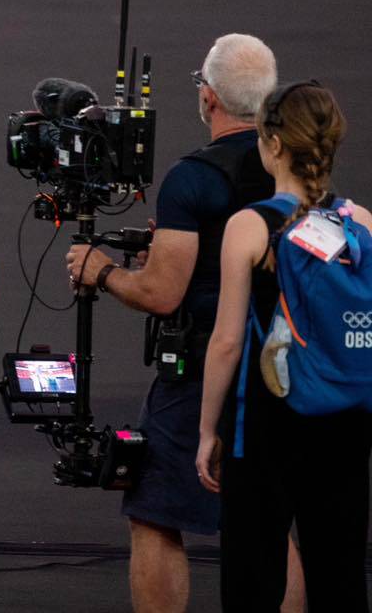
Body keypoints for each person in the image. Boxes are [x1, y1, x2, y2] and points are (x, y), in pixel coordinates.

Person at [66, 34, 306, 613]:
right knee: (274, 523)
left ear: (210, 98)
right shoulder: (296, 171)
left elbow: (161, 292)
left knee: (152, 512)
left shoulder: (194, 178)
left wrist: (101, 272)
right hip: (289, 370)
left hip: (204, 371)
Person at [197, 81, 372, 612]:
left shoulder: (250, 227)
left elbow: (228, 341)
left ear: (271, 145)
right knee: (340, 574)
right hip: (346, 422)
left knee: (254, 576)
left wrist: (208, 430)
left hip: (268, 425)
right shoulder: (361, 222)